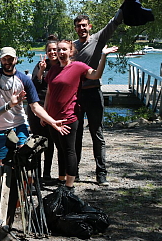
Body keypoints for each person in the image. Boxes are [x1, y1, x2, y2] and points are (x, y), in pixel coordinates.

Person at [0, 41, 69, 164]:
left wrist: (53, 122)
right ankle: (3, 182)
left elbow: (35, 106)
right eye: (4, 59)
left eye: (10, 59)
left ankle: (25, 181)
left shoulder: (24, 80)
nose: (7, 62)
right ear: (0, 60)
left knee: (23, 159)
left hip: (19, 124)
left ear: (16, 59)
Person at [45, 41, 118, 191]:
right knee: (60, 149)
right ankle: (61, 179)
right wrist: (44, 115)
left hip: (69, 117)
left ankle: (69, 185)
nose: (61, 52)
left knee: (69, 150)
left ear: (71, 51)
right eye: (59, 50)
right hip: (53, 118)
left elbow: (96, 74)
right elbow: (49, 93)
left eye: (64, 49)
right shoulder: (53, 69)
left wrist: (103, 56)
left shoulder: (78, 67)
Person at [73, 10, 123, 186]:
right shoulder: (72, 47)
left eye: (84, 25)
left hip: (94, 93)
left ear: (89, 26)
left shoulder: (97, 39)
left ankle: (101, 174)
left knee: (97, 134)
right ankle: (74, 172)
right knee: (75, 135)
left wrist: (124, 8)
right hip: (76, 96)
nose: (82, 28)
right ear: (75, 28)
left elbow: (113, 24)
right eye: (79, 26)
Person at [28, 36, 59, 181]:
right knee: (37, 141)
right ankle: (37, 173)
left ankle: (47, 173)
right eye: (50, 50)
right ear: (46, 52)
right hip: (37, 106)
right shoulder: (41, 64)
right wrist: (41, 70)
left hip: (52, 108)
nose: (52, 52)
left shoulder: (61, 65)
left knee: (50, 142)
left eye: (55, 49)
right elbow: (34, 84)